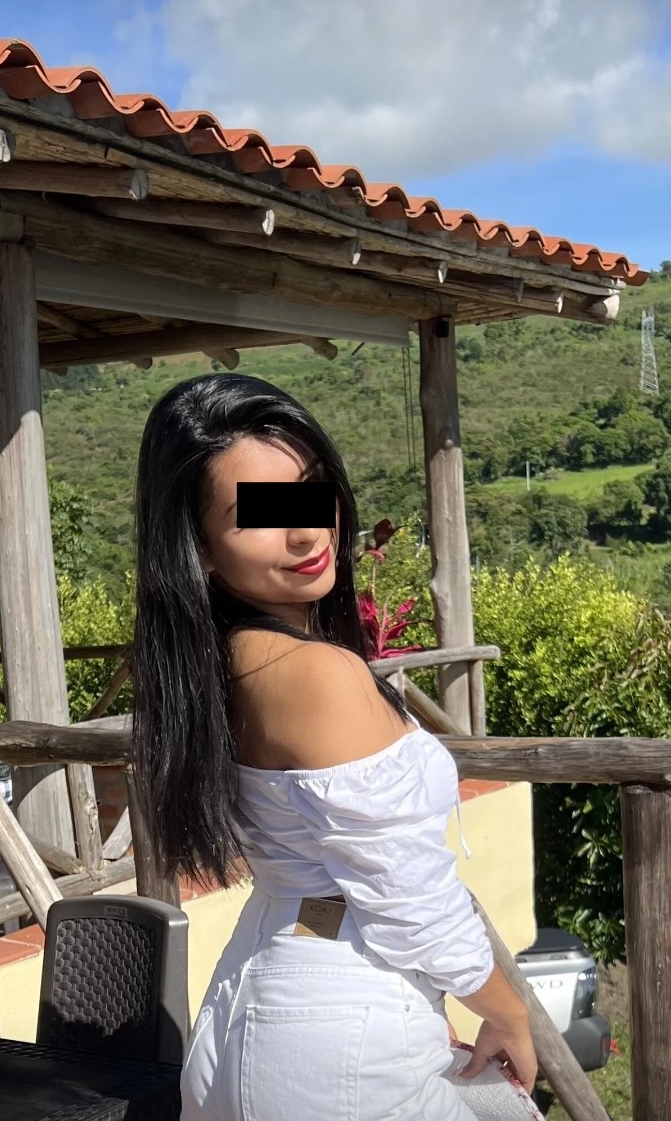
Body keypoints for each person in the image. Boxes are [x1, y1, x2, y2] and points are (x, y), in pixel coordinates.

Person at [129, 373, 537, 1120]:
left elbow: (326, 887)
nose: (306, 531)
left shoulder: (220, 664)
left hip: (263, 1001)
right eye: (259, 513)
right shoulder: (313, 674)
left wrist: (404, 989)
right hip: (336, 1040)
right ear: (199, 548)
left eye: (311, 491)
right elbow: (409, 895)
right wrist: (508, 1010)